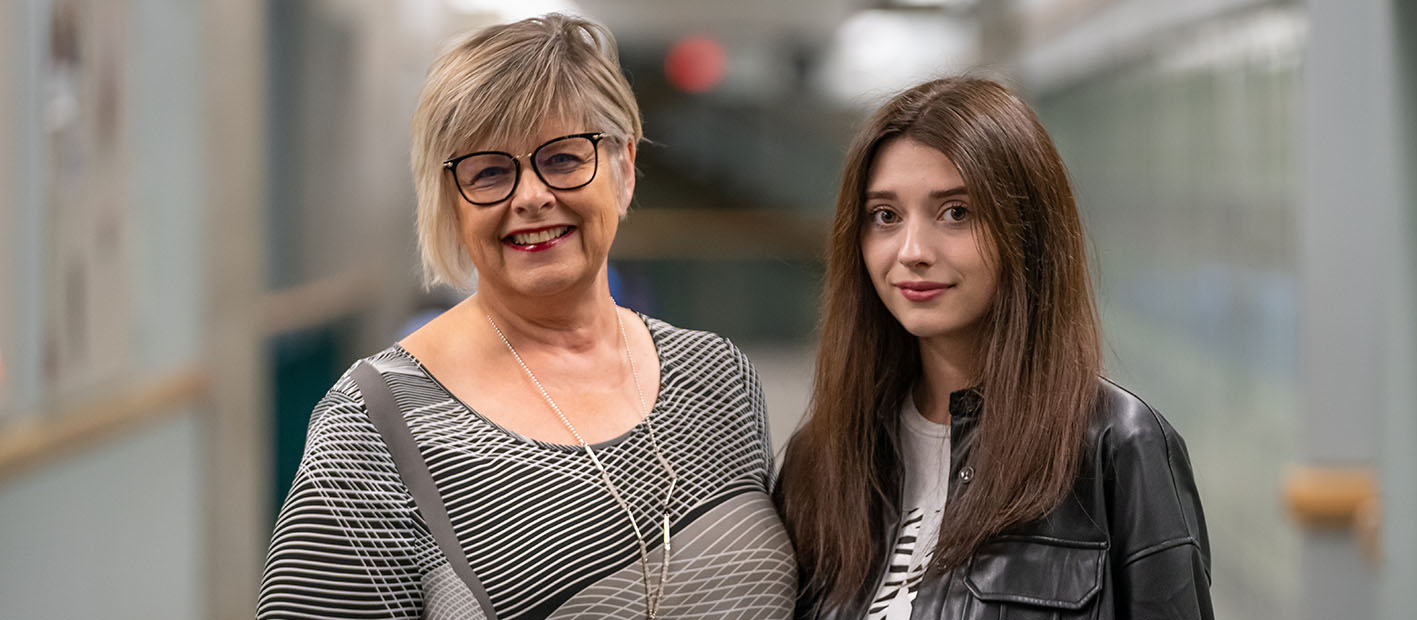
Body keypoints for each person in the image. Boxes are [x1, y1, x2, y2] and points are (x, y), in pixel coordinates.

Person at [258, 14, 795, 619]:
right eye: (490, 171)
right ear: (451, 202)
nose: (531, 196)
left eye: (563, 159)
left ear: (624, 166)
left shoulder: (721, 378)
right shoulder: (374, 428)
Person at [776, 77, 1211, 620]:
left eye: (955, 212)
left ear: (1025, 229)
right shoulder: (820, 461)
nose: (912, 252)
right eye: (885, 216)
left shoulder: (1118, 448)